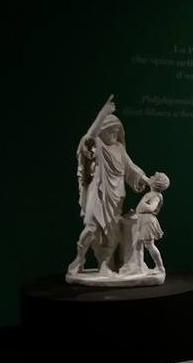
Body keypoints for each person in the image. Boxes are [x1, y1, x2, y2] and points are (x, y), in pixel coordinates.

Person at [67, 96, 149, 276]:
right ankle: (79, 259)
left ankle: (104, 264)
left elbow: (131, 168)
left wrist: (146, 180)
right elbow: (88, 139)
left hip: (116, 194)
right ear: (102, 130)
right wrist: (102, 115)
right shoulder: (97, 146)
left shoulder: (119, 148)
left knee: (111, 232)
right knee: (91, 227)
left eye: (116, 130)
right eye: (110, 130)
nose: (114, 133)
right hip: (98, 192)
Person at [132, 171, 169, 274]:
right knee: (136, 243)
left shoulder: (156, 196)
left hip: (147, 221)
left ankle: (160, 267)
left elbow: (152, 208)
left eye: (153, 177)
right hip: (142, 220)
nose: (150, 177)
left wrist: (143, 204)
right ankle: (138, 267)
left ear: (156, 183)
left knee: (149, 245)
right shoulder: (152, 194)